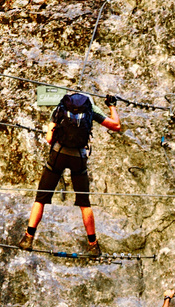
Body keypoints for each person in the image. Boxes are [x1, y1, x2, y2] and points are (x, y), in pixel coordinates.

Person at [19, 91, 121, 254]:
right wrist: (112, 106)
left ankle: (28, 238)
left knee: (41, 198)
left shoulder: (60, 107)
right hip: (78, 158)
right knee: (84, 203)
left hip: (58, 155)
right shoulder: (91, 108)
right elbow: (116, 125)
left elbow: (49, 139)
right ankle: (93, 245)